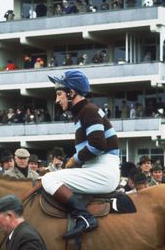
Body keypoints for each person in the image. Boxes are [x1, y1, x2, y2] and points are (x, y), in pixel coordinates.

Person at [41, 70, 120, 239]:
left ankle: (85, 217)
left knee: (49, 178)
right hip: (99, 169)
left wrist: (74, 160)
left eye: (59, 94)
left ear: (71, 93)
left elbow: (98, 145)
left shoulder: (88, 111)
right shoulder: (84, 112)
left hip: (103, 171)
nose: (57, 100)